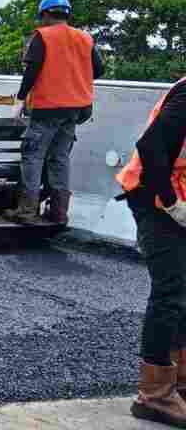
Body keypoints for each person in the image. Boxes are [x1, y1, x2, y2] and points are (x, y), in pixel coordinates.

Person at [114, 77, 186, 426]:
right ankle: (155, 396)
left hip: (178, 197)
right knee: (170, 290)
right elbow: (151, 144)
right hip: (155, 197)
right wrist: (173, 204)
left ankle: (180, 383)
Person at [4, 0, 104, 224]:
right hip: (76, 109)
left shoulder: (43, 36)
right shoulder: (85, 38)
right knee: (59, 158)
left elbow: (32, 71)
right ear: (67, 14)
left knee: (33, 156)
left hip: (48, 108)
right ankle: (59, 212)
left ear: (45, 15)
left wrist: (20, 100)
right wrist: (73, 78)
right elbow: (98, 70)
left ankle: (27, 211)